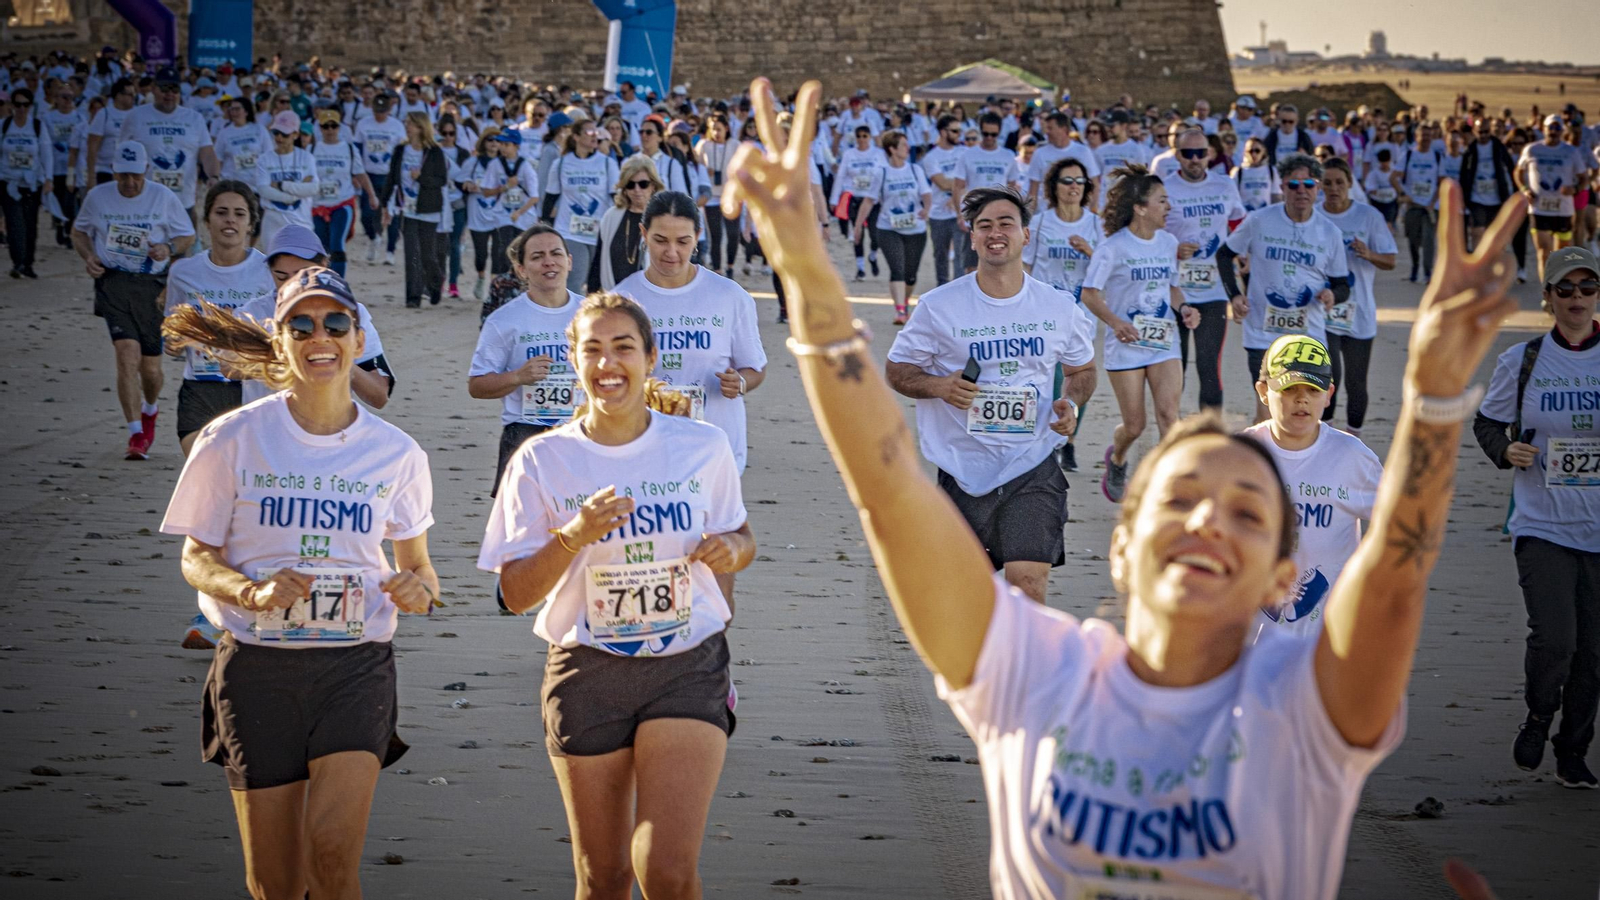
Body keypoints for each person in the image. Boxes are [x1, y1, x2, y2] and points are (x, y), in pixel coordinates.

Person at [725, 73, 1529, 899]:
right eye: (1179, 499)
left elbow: (1396, 576)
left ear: (1284, 574)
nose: (1210, 520)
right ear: (1121, 546)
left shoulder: (1306, 707)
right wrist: (810, 278)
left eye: (1249, 512)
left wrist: (1434, 401)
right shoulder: (1033, 678)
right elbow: (888, 491)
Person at [159, 265, 438, 900]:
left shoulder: (397, 453)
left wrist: (418, 588)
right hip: (258, 667)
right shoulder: (231, 439)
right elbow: (195, 558)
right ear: (278, 340)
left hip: (355, 667)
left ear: (359, 338)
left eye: (336, 322)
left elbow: (419, 566)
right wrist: (251, 593)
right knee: (275, 882)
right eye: (302, 324)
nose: (322, 336)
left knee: (335, 858)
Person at [478, 291, 753, 899]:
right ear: (574, 361)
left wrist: (732, 555)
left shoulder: (701, 446)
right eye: (592, 349)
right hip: (586, 672)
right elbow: (516, 594)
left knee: (668, 872)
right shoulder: (541, 460)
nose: (608, 363)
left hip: (687, 666)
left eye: (623, 347)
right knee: (602, 877)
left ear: (650, 358)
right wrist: (572, 537)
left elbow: (739, 534)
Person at [884, 183, 1097, 603]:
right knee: (970, 595)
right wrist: (939, 387)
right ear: (972, 236)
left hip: (1033, 462)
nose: (995, 232)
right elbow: (897, 371)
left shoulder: (1056, 306)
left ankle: (1023, 669)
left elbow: (1083, 369)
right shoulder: (939, 305)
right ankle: (981, 669)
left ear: (1025, 236)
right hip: (964, 466)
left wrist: (1070, 402)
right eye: (984, 225)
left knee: (1029, 583)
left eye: (1006, 223)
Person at [1473, 245, 1600, 790]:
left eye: (1586, 287)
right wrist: (1507, 451)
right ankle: (1539, 713)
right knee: (1555, 640)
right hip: (1542, 522)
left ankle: (1573, 751)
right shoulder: (1521, 361)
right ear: (1547, 297)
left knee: (1593, 653)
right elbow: (1487, 425)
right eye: (1564, 289)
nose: (1576, 298)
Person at [1242, 335, 1382, 638]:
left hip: (1330, 637)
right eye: (1289, 389)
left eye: (1313, 390)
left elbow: (1400, 525)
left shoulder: (1352, 458)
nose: (1301, 399)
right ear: (1264, 392)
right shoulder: (1241, 456)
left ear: (1329, 394)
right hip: (1253, 640)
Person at [1081, 164, 1201, 503]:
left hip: (1164, 342)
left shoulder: (1168, 242)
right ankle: (1117, 458)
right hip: (1127, 345)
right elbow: (1090, 293)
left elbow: (1173, 289)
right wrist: (1116, 322)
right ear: (1140, 207)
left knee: (1168, 416)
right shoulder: (1113, 248)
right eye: (1162, 201)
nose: (1168, 207)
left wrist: (1185, 309)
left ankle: (1170, 491)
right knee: (1134, 426)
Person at [71, 141, 195, 459]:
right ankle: (136, 434)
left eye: (136, 176)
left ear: (146, 172)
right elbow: (79, 232)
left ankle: (150, 409)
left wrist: (167, 247)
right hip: (114, 283)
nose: (129, 183)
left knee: (151, 370)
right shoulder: (98, 198)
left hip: (151, 286)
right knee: (127, 355)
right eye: (123, 176)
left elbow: (187, 236)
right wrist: (88, 257)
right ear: (114, 171)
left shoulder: (163, 197)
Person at [1216, 152, 1351, 424]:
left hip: (1307, 336)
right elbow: (1224, 254)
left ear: (1318, 188)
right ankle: (1262, 464)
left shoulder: (1329, 232)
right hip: (1262, 333)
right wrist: (1235, 295)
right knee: (1268, 412)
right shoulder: (1259, 220)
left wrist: (1331, 295)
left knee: (1304, 412)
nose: (1301, 191)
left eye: (1309, 185)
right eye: (1293, 185)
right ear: (1282, 187)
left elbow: (1342, 285)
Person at [468, 223, 586, 504]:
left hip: (582, 430)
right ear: (521, 269)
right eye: (537, 256)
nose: (549, 261)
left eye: (556, 253)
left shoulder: (591, 313)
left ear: (569, 262)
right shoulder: (504, 320)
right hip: (525, 432)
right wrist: (517, 377)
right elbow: (477, 385)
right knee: (520, 531)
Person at [162, 180, 276, 456]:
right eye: (221, 212)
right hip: (200, 388)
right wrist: (174, 342)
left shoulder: (268, 272)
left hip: (251, 390)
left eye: (239, 214)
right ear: (207, 220)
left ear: (251, 224)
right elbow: (173, 327)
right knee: (202, 470)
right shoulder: (183, 272)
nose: (230, 220)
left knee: (245, 477)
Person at [1163, 129, 1246, 414]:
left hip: (1213, 289)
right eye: (1188, 154)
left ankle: (1211, 438)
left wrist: (1242, 256)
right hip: (1174, 290)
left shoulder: (1224, 185)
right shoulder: (1164, 188)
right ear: (1178, 156)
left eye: (1201, 153)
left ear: (1210, 155)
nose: (1195, 160)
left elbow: (1239, 223)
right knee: (1176, 368)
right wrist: (1173, 248)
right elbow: (1147, 235)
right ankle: (1171, 437)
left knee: (1210, 366)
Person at [1317, 157, 1398, 438]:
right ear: (1320, 186)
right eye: (1327, 183)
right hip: (1323, 309)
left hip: (1359, 310)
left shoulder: (1368, 216)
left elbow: (1390, 260)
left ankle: (1354, 441)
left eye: (1340, 182)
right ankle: (1323, 437)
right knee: (1329, 377)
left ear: (1350, 183)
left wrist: (1368, 254)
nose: (1334, 188)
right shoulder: (1314, 216)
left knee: (1356, 382)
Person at [117, 66, 219, 215]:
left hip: (183, 201)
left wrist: (214, 176)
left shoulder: (194, 118)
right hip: (144, 200)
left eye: (175, 89)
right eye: (164, 88)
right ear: (153, 89)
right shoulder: (135, 116)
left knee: (187, 238)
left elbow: (207, 153)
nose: (169, 94)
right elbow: (121, 154)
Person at [854, 130, 931, 324]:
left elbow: (927, 194)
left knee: (910, 275)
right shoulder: (882, 172)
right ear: (893, 149)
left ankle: (904, 302)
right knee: (897, 268)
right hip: (888, 227)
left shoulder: (915, 170)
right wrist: (857, 226)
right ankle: (900, 311)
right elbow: (869, 201)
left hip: (916, 229)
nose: (908, 148)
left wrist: (927, 209)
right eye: (904, 145)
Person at [380, 111, 448, 308]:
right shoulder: (400, 150)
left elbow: (441, 179)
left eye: (411, 124)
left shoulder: (434, 152)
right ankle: (413, 296)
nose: (407, 127)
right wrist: (384, 203)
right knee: (411, 253)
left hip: (429, 209)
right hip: (407, 208)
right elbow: (392, 177)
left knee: (428, 255)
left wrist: (421, 177)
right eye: (406, 123)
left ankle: (436, 282)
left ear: (421, 127)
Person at [545, 119, 619, 293]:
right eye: (589, 132)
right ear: (576, 137)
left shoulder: (607, 163)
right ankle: (574, 319)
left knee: (597, 286)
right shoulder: (561, 164)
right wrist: (545, 226)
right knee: (574, 282)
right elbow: (551, 197)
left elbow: (616, 197)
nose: (595, 136)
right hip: (569, 231)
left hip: (600, 231)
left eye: (596, 132)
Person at [1516, 114, 1588, 281]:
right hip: (1538, 208)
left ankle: (1557, 289)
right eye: (1550, 128)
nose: (1553, 132)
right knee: (1543, 252)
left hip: (1563, 209)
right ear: (1544, 129)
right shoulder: (1532, 149)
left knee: (1561, 255)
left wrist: (1575, 188)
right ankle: (1547, 294)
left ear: (1562, 131)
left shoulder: (1571, 151)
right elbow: (1518, 171)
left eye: (1557, 128)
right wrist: (1525, 189)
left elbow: (1583, 177)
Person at [311, 103, 374, 278]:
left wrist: (371, 196)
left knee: (337, 243)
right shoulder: (312, 149)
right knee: (321, 246)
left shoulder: (349, 149)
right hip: (318, 205)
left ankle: (338, 283)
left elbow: (360, 173)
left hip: (342, 203)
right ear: (320, 128)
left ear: (339, 127)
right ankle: (322, 280)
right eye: (325, 126)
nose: (330, 130)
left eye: (334, 126)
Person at [952, 114, 1021, 275]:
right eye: (986, 134)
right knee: (971, 264)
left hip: (1001, 214)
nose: (989, 138)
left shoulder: (1007, 156)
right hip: (975, 214)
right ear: (980, 132)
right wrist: (959, 215)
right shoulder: (968, 155)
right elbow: (957, 186)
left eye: (994, 134)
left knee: (1000, 261)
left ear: (999, 133)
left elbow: (1013, 187)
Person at [0, 86, 50, 279]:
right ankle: (17, 262)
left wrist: (49, 179)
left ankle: (28, 263)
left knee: (30, 225)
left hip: (31, 183)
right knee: (15, 224)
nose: (21, 109)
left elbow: (46, 154)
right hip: (8, 182)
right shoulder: (4, 126)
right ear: (12, 105)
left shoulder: (37, 126)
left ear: (30, 106)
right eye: (18, 104)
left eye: (25, 105)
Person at [354, 91, 406, 264]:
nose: (379, 115)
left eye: (383, 112)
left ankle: (390, 250)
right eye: (377, 111)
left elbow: (401, 152)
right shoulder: (363, 124)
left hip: (390, 176)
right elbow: (358, 149)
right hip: (368, 175)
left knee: (391, 214)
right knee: (366, 214)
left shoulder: (397, 126)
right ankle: (373, 237)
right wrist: (356, 174)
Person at [595, 156, 661, 290]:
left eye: (643, 184)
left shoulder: (662, 218)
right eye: (630, 185)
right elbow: (598, 259)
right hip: (615, 296)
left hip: (652, 296)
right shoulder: (611, 216)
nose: (637, 190)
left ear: (653, 186)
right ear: (624, 188)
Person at [255, 110, 319, 248]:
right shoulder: (264, 159)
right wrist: (292, 196)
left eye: (284, 134)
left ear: (295, 135)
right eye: (276, 133)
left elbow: (313, 188)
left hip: (301, 222)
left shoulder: (307, 158)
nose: (279, 138)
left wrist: (281, 185)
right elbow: (263, 189)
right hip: (273, 222)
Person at [1393, 123, 1443, 282]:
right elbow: (1393, 177)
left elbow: (1442, 181)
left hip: (1430, 207)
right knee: (1413, 239)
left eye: (1429, 136)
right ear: (1417, 137)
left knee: (1429, 239)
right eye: (1423, 135)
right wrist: (1403, 194)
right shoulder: (1408, 155)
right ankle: (1415, 266)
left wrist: (1433, 201)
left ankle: (1428, 272)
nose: (1426, 139)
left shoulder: (1437, 156)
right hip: (1412, 206)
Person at [922, 114, 966, 287]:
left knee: (960, 256)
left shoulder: (964, 153)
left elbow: (971, 180)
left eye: (959, 131)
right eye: (954, 131)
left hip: (960, 212)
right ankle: (942, 289)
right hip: (938, 213)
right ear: (942, 131)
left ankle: (959, 292)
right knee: (940, 255)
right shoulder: (931, 157)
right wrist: (959, 187)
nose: (958, 135)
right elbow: (941, 183)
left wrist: (958, 192)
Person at [39, 85, 84, 248]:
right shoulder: (48, 118)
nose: (67, 101)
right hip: (55, 166)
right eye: (63, 97)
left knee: (71, 201)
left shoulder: (79, 117)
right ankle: (59, 225)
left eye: (70, 97)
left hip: (72, 167)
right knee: (57, 199)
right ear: (56, 99)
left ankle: (69, 230)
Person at [1024, 111, 1100, 209]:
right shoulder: (1040, 153)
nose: (1047, 132)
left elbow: (1094, 184)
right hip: (1046, 212)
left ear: (1063, 129)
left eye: (1050, 128)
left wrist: (1091, 209)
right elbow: (1033, 189)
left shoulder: (1083, 152)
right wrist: (1030, 216)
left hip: (1076, 213)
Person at [85, 77, 137, 185]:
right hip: (106, 171)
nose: (133, 98)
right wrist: (91, 175)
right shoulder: (104, 114)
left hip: (131, 171)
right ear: (118, 95)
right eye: (130, 95)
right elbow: (92, 146)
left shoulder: (137, 114)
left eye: (134, 94)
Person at [215, 95, 271, 191]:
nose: (234, 113)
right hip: (233, 185)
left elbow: (269, 154)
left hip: (257, 185)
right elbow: (218, 158)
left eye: (237, 109)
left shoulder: (259, 129)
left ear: (246, 111)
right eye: (232, 109)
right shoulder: (224, 132)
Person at [1263, 102, 1314, 170]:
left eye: (1291, 121)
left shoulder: (1303, 137)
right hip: (1277, 174)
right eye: (1284, 121)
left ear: (1296, 121)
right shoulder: (1271, 136)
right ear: (1279, 120)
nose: (1287, 124)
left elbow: (1311, 156)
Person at [1233, 136, 1278, 213]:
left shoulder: (1271, 171)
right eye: (1250, 151)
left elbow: (1276, 197)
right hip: (1246, 216)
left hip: (1266, 215)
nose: (1253, 154)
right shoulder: (1239, 172)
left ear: (1263, 151)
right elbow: (1233, 197)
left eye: (1257, 151)